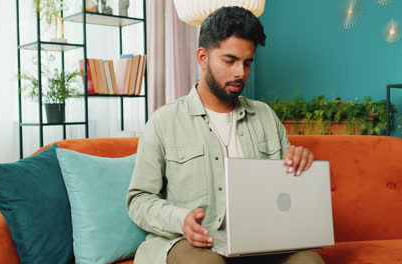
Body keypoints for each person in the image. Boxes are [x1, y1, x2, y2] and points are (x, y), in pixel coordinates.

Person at [127, 6, 325, 264]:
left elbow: (287, 194)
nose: (240, 73)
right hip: (192, 243)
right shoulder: (164, 121)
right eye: (229, 61)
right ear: (203, 57)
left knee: (309, 261)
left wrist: (300, 166)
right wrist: (180, 220)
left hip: (260, 241)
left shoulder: (265, 116)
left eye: (247, 62)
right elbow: (139, 199)